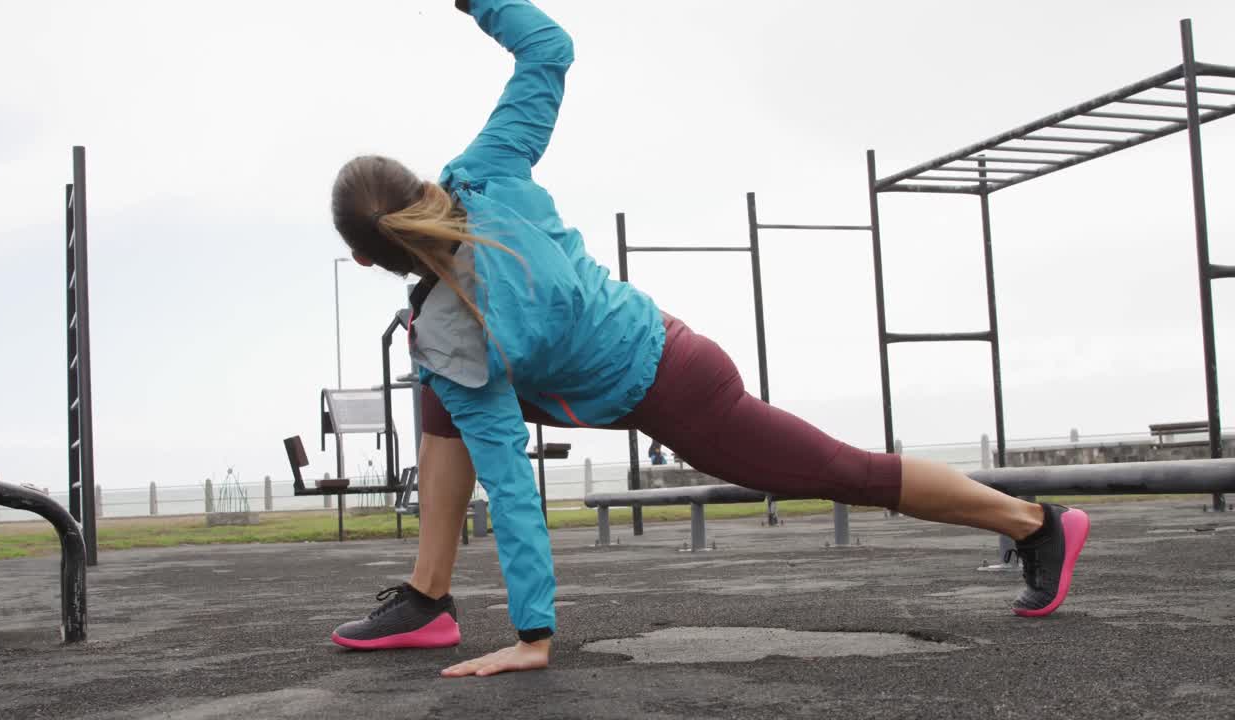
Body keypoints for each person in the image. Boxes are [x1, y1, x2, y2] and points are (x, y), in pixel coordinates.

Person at [326, 0, 1090, 678]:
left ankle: (1035, 523)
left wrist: (535, 633)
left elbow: (514, 488)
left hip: (676, 389)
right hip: (653, 351)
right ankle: (429, 599)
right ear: (416, 183)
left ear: (365, 259)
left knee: (839, 471)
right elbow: (549, 49)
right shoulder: (483, 174)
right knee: (436, 386)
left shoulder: (455, 334)